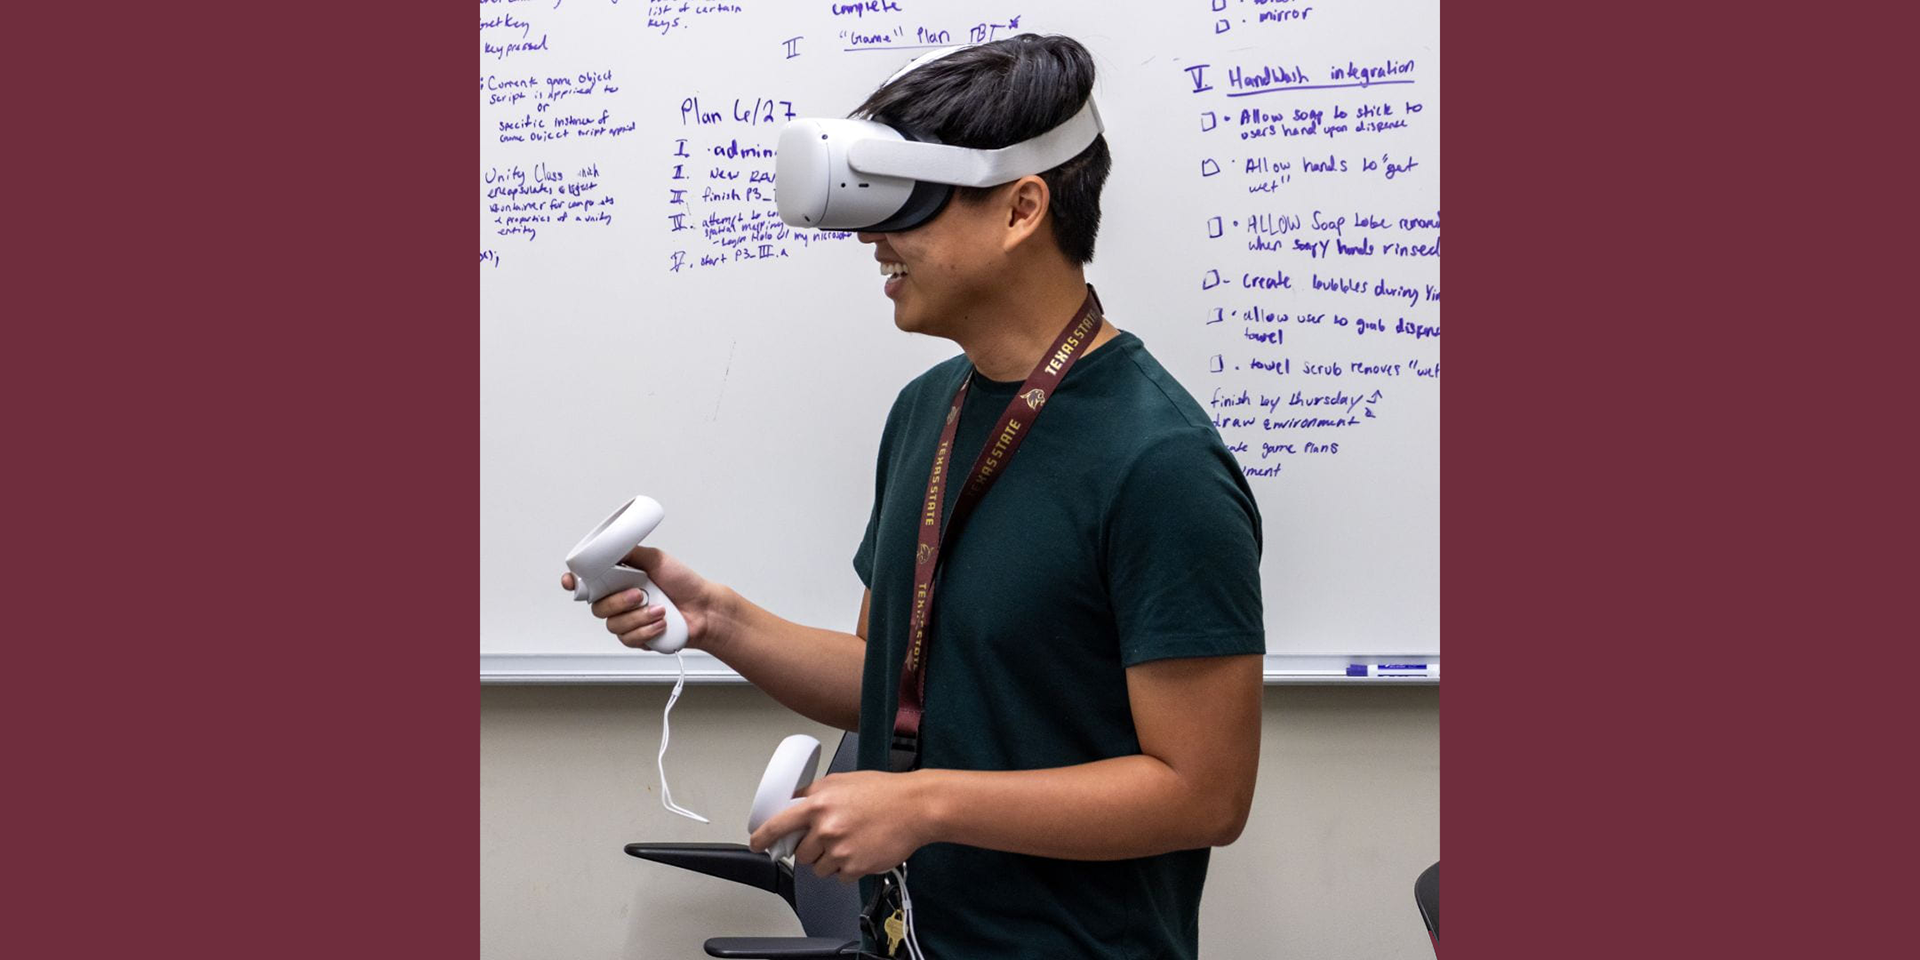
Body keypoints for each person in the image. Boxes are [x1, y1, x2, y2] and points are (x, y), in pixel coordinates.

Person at [562, 35, 1265, 960]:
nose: (870, 238)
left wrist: (926, 803)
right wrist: (719, 618)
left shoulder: (1159, 462)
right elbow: (888, 680)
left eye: (908, 207)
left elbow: (1203, 795)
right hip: (910, 936)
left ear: (1023, 208)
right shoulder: (928, 410)